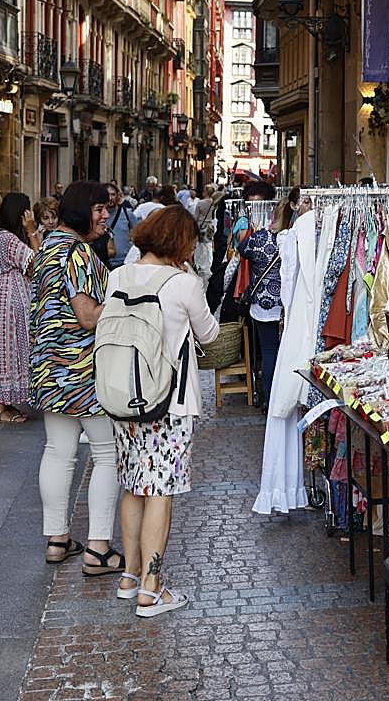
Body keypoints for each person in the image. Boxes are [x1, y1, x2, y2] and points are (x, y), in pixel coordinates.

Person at [107, 205, 218, 617]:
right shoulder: (183, 284)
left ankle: (129, 576)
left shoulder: (118, 276)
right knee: (160, 490)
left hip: (122, 395)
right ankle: (152, 589)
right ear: (181, 243)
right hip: (168, 402)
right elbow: (208, 333)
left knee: (133, 484)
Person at [31, 181, 124, 575]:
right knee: (107, 454)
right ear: (79, 209)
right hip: (83, 368)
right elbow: (88, 315)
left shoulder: (49, 244)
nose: (106, 216)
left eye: (108, 209)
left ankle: (57, 539)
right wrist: (125, 304)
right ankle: (99, 548)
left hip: (49, 365)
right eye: (99, 208)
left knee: (58, 450)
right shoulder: (79, 252)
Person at [239, 188, 301, 405]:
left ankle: (268, 398)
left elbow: (242, 249)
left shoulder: (261, 237)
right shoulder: (297, 238)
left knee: (268, 351)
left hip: (263, 304)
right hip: (288, 304)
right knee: (287, 352)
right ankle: (285, 397)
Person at [0, 192, 41, 424]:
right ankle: (1, 406)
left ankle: (1, 404)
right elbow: (38, 262)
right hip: (11, 299)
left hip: (1, 295)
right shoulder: (8, 239)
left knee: (4, 349)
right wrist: (31, 231)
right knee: (10, 349)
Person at [107, 185, 138, 270]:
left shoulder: (127, 213)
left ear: (118, 196)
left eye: (113, 194)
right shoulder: (96, 216)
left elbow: (137, 234)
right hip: (103, 262)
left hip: (123, 263)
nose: (110, 198)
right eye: (107, 194)